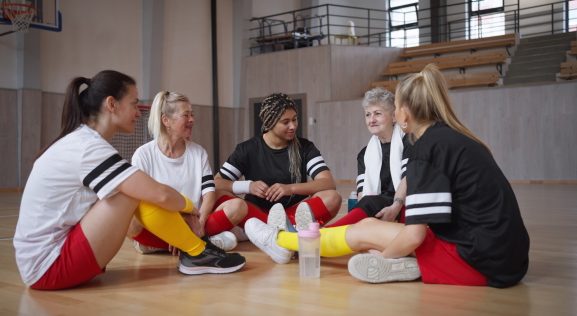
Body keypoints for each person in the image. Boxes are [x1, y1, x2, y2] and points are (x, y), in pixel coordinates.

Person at [245, 64, 530, 288]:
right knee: (370, 224)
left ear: (402, 113)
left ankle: (281, 242)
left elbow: (415, 234)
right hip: (505, 261)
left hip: (481, 265)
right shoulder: (452, 138)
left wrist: (383, 256)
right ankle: (293, 242)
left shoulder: (425, 149)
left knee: (366, 230)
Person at [13, 71, 245, 290]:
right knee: (134, 191)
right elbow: (160, 194)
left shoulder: (83, 141)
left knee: (133, 189)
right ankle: (197, 252)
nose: (138, 112)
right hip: (49, 267)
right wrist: (189, 209)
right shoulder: (87, 147)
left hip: (47, 260)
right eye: (134, 103)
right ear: (112, 104)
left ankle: (194, 250)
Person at [128, 91, 248, 253]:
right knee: (128, 221)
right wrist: (179, 222)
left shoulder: (198, 152)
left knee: (238, 206)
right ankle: (205, 242)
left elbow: (209, 194)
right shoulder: (143, 155)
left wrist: (201, 218)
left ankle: (165, 245)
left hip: (197, 220)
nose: (192, 119)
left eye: (192, 114)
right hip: (163, 223)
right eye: (186, 115)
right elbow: (145, 201)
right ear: (166, 120)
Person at [212, 93, 341, 238]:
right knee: (217, 194)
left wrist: (290, 188)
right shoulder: (247, 149)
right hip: (257, 211)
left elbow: (328, 182)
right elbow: (216, 183)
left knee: (332, 197)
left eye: (294, 119)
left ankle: (264, 232)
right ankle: (285, 232)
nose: (292, 126)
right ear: (269, 123)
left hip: (292, 212)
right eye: (285, 122)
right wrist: (248, 186)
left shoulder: (305, 147)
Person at [325, 87, 411, 228]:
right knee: (367, 203)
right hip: (379, 208)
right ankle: (326, 235)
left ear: (394, 116)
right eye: (368, 115)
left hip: (407, 206)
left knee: (370, 204)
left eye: (378, 114)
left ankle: (321, 235)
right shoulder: (364, 154)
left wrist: (394, 209)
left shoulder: (409, 142)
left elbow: (409, 180)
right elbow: (362, 194)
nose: (372, 120)